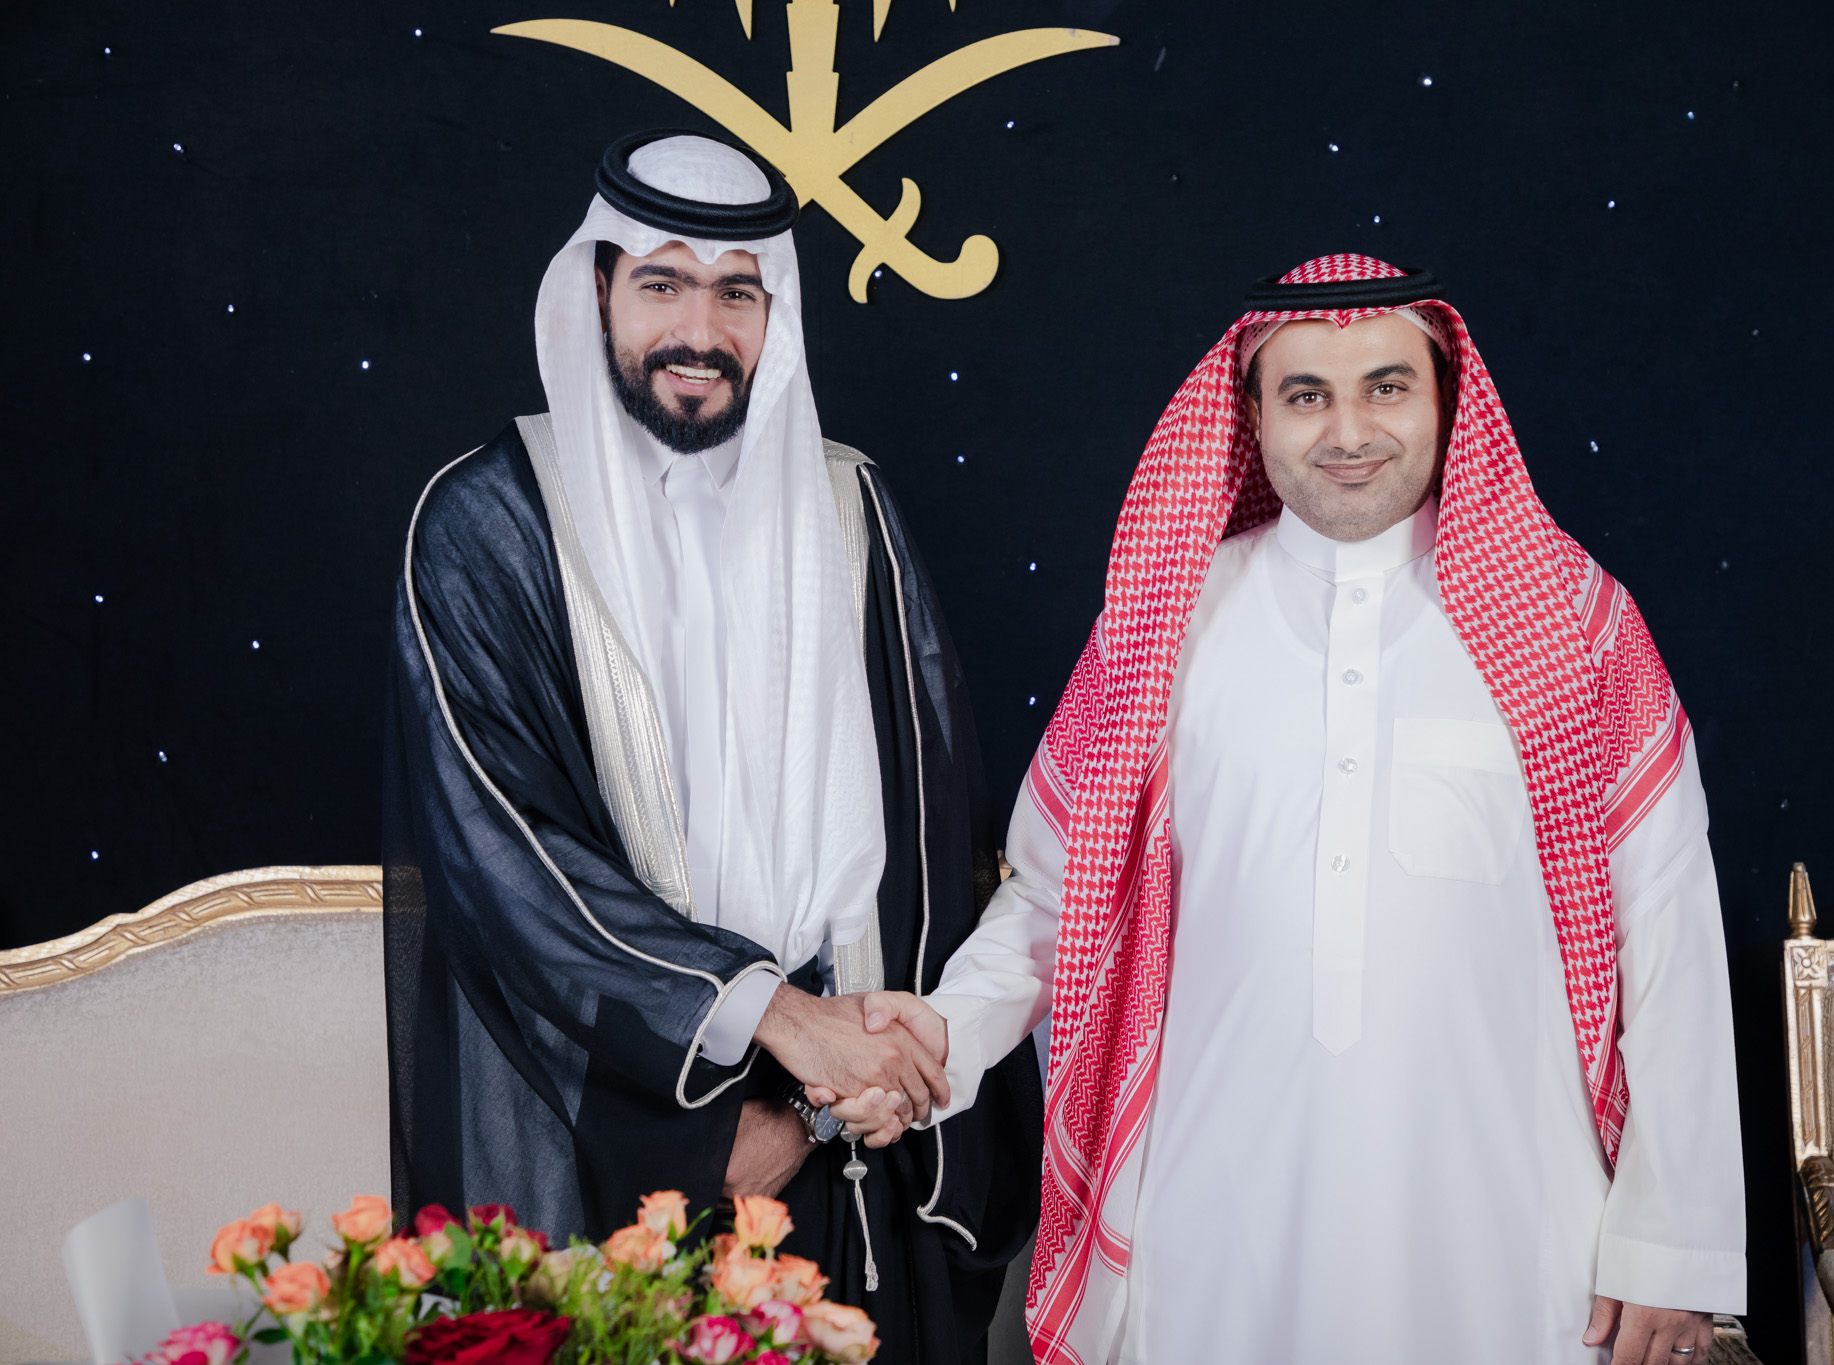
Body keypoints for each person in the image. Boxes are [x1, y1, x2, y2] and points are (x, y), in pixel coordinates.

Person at [835, 255, 1746, 1363]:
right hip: (1217, 1226)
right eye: (1306, 394)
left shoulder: (1574, 623)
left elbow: (1670, 937)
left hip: (1515, 1239)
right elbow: (1059, 902)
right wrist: (943, 1034)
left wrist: (1672, 1246)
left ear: (1446, 402)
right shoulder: (1167, 624)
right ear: (1253, 417)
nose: (1348, 430)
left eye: (1386, 386)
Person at [381, 130, 1041, 1362]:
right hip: (610, 1132)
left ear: (773, 309)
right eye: (662, 284)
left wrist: (833, 1092)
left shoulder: (847, 505)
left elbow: (924, 841)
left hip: (848, 1145)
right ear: (597, 290)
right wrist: (758, 1035)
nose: (700, 329)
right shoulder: (487, 523)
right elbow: (506, 856)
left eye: (736, 291)